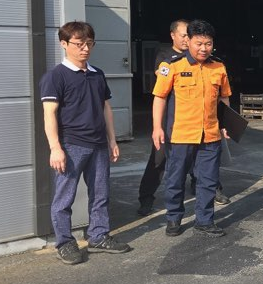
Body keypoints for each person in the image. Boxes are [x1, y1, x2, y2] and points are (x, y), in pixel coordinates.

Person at [40, 21, 131, 264]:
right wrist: (55, 148)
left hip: (99, 144)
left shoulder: (97, 74)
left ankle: (99, 235)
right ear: (64, 44)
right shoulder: (55, 77)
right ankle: (65, 242)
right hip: (71, 146)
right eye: (79, 44)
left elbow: (106, 108)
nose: (85, 49)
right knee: (64, 198)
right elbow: (49, 113)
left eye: (89, 43)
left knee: (101, 193)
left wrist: (112, 140)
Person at [137, 19, 228, 216]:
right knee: (163, 165)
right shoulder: (167, 59)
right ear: (173, 36)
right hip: (175, 124)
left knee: (207, 173)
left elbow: (223, 97)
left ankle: (207, 212)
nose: (187, 40)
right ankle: (148, 199)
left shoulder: (217, 66)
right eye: (185, 36)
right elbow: (160, 92)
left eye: (207, 43)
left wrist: (226, 123)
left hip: (206, 128)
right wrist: (157, 127)